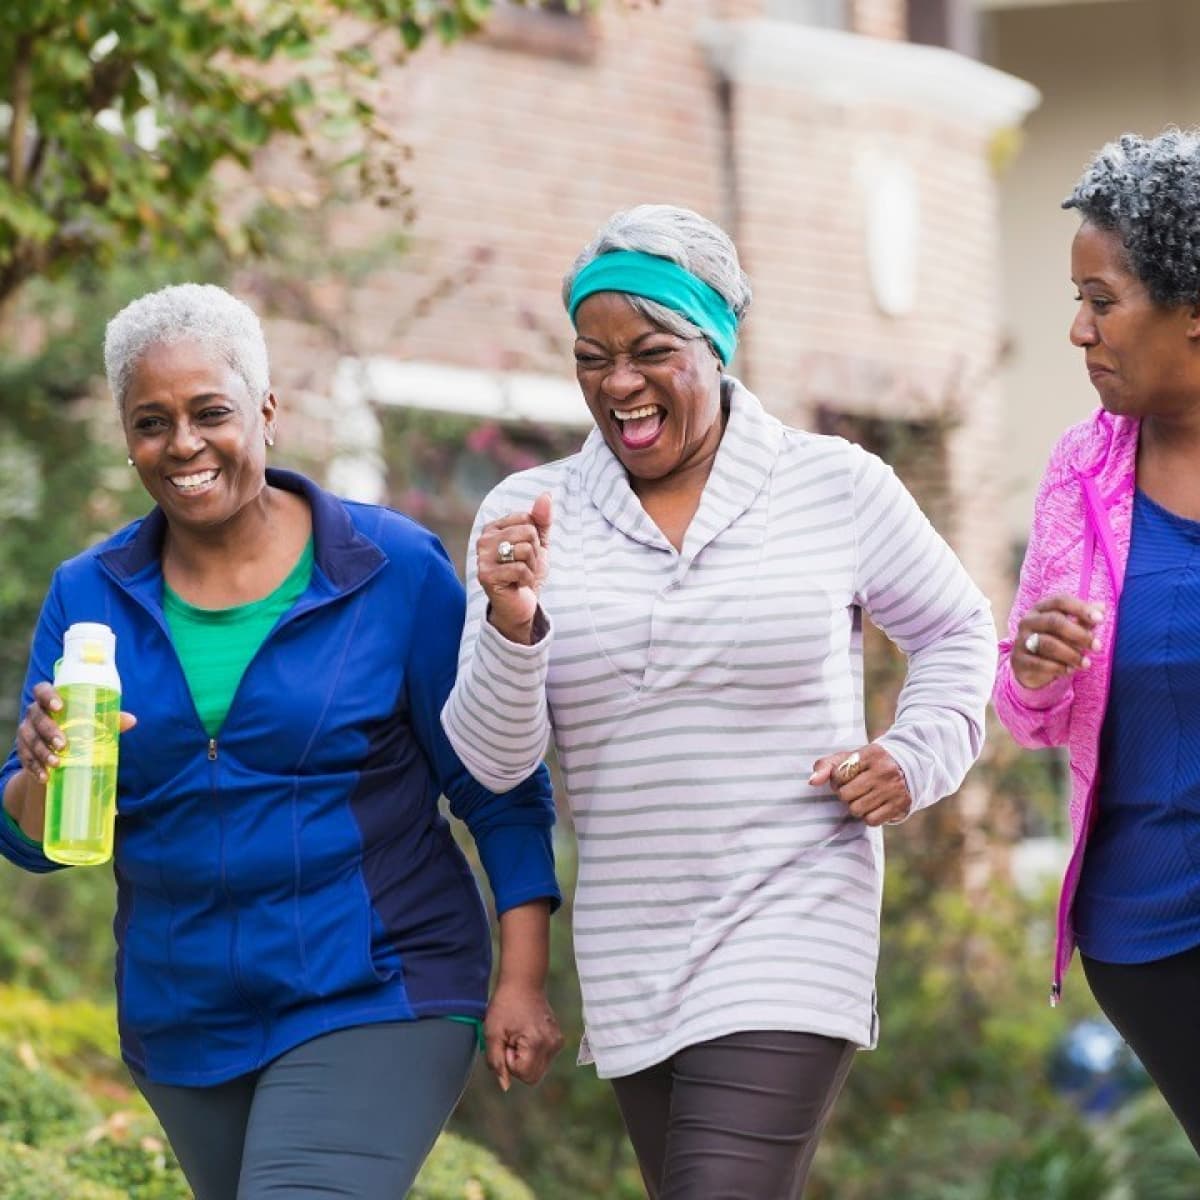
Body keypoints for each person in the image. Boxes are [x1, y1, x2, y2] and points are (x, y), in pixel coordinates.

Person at [440, 205, 996, 1197]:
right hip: (634, 946)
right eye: (591, 357)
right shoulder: (532, 514)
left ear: (717, 346)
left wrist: (911, 758)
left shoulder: (833, 486)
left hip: (794, 915)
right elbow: (493, 763)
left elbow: (959, 633)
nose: (618, 384)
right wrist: (512, 622)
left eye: (651, 351)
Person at [0, 283, 563, 1199]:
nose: (182, 444)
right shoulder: (89, 596)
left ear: (266, 409)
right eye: (151, 422)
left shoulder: (391, 571)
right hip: (186, 1023)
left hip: (379, 988)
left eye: (209, 412)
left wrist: (524, 976)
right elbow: (36, 839)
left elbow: (496, 782)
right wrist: (37, 774)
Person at [995, 127, 1200, 1154]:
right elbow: (1031, 713)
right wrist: (1033, 668)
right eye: (1079, 301)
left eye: (1104, 301)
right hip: (1152, 928)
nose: (1079, 331)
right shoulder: (1086, 470)